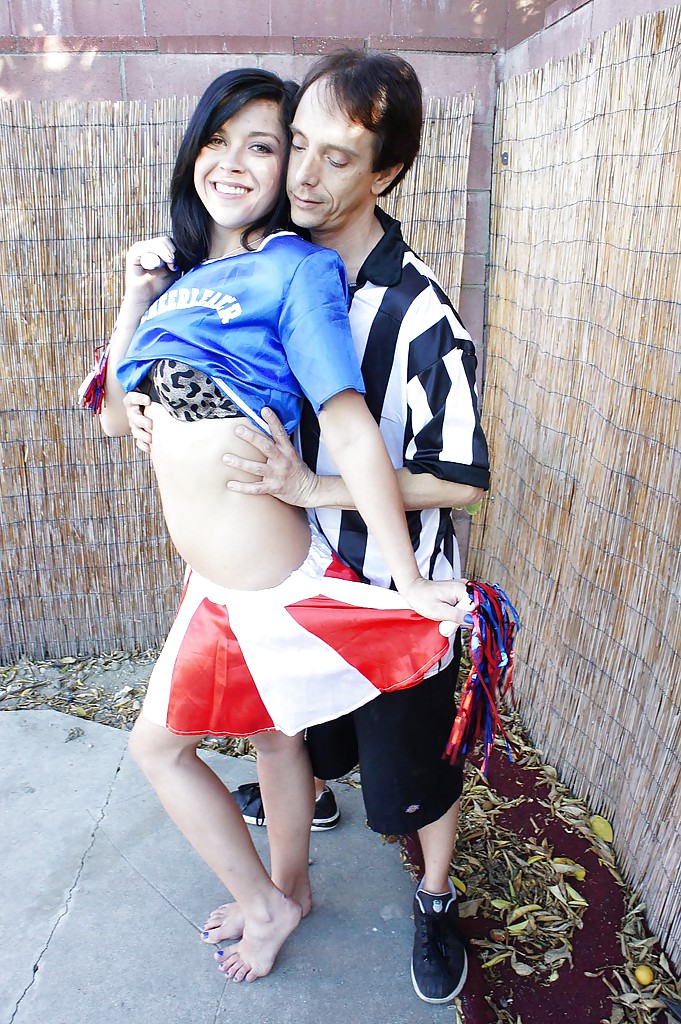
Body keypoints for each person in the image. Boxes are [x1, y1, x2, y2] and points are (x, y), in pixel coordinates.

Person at [90, 67, 475, 985]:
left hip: (317, 569)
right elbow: (111, 416)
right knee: (278, 740)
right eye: (291, 145)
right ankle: (285, 891)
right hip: (226, 577)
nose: (294, 169)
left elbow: (383, 440)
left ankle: (426, 897)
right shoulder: (198, 279)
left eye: (275, 146)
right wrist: (138, 304)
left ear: (382, 173)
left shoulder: (354, 288)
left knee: (407, 774)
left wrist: (394, 565)